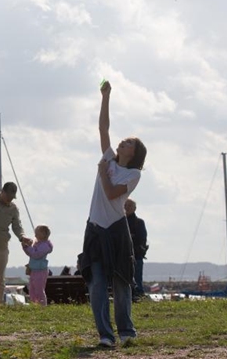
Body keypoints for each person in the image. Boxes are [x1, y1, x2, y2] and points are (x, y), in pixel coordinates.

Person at [78, 80, 147, 348]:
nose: (122, 141)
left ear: (135, 152)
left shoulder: (133, 173)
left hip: (117, 230)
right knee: (96, 285)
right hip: (95, 228)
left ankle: (126, 331)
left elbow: (111, 194)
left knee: (121, 283)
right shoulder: (108, 157)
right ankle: (105, 335)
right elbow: (103, 127)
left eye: (129, 142)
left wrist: (101, 174)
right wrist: (106, 97)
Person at [22, 224, 54, 305]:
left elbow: (36, 255)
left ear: (43, 234)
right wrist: (26, 247)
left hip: (40, 271)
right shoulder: (38, 244)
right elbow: (31, 253)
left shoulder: (45, 246)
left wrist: (28, 248)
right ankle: (35, 304)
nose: (35, 235)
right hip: (34, 270)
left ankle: (42, 305)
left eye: (37, 233)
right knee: (32, 289)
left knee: (39, 289)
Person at [124, 198, 148, 301]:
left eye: (130, 206)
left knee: (137, 278)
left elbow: (142, 239)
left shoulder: (139, 222)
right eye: (125, 205)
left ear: (135, 208)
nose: (127, 208)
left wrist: (138, 250)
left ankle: (139, 295)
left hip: (136, 256)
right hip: (122, 256)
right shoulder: (120, 222)